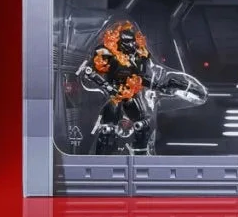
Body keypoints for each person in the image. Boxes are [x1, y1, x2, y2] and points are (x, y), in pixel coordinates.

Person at [78, 21, 206, 155]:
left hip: (130, 95)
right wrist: (107, 87)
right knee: (107, 129)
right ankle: (101, 159)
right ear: (120, 42)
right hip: (114, 95)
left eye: (133, 42)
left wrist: (160, 86)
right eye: (128, 42)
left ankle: (141, 156)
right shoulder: (109, 53)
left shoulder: (137, 57)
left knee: (142, 125)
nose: (132, 45)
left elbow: (141, 78)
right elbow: (89, 72)